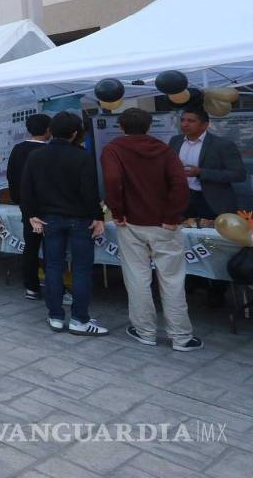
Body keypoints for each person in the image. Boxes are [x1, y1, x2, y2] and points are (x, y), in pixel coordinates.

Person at [102, 108, 201, 352]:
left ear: (121, 127)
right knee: (173, 279)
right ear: (149, 126)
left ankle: (145, 331)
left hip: (131, 223)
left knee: (137, 277)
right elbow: (180, 183)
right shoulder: (164, 149)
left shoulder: (113, 149)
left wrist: (117, 212)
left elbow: (112, 181)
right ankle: (181, 336)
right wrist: (172, 216)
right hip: (164, 225)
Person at [21, 111, 107, 336]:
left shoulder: (37, 156)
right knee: (81, 269)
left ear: (52, 130)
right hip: (80, 220)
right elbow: (90, 192)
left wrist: (31, 214)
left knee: (52, 267)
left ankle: (55, 316)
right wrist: (98, 216)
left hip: (50, 219)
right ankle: (79, 318)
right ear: (75, 133)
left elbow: (26, 190)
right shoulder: (82, 156)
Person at [169, 108, 244, 220]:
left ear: (205, 125)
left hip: (212, 201)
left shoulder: (222, 145)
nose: (184, 124)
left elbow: (238, 175)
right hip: (182, 199)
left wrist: (201, 172)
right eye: (182, 120)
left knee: (213, 236)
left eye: (191, 121)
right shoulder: (175, 141)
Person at [7, 113, 52, 300]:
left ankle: (31, 287)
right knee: (52, 249)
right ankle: (56, 287)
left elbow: (11, 176)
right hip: (49, 207)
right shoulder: (49, 152)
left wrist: (18, 199)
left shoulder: (18, 149)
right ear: (49, 129)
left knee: (31, 247)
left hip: (26, 207)